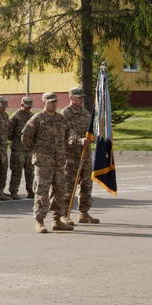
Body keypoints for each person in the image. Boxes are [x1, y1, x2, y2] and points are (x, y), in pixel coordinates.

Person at [21, 92, 73, 233]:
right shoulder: (37, 119)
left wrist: (77, 141)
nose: (54, 104)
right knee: (41, 192)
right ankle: (40, 221)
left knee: (59, 191)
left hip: (59, 162)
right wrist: (37, 150)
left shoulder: (61, 120)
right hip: (43, 163)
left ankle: (57, 220)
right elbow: (25, 137)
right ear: (44, 103)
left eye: (55, 101)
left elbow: (69, 135)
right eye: (50, 102)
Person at [61, 87, 97, 223]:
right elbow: (67, 133)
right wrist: (79, 140)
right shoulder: (65, 114)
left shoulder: (86, 114)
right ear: (71, 97)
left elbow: (91, 130)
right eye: (78, 97)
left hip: (85, 155)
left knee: (87, 184)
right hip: (70, 155)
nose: (81, 99)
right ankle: (64, 214)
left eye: (82, 97)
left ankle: (84, 213)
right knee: (69, 186)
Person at [8, 97, 35, 199]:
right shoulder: (15, 116)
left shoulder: (32, 116)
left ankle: (30, 190)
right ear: (22, 105)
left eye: (29, 106)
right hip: (18, 149)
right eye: (26, 106)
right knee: (17, 171)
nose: (28, 108)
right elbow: (8, 130)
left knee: (30, 171)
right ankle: (13, 191)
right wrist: (13, 139)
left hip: (28, 148)